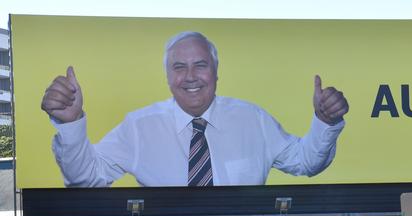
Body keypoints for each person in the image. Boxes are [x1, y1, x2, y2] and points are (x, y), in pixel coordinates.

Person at [41, 31, 349, 187]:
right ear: (167, 77)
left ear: (216, 72)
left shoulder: (252, 119)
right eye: (179, 67)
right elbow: (85, 179)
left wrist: (324, 122)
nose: (190, 76)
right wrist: (70, 125)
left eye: (200, 65)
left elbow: (306, 162)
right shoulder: (139, 127)